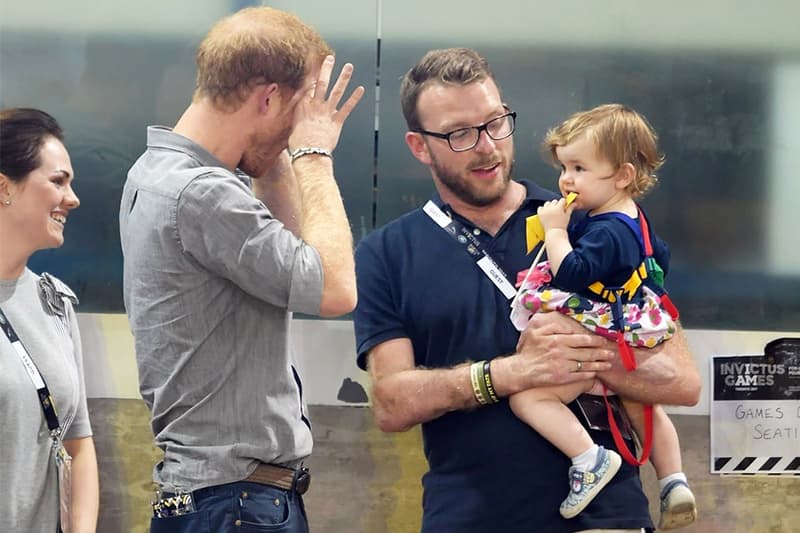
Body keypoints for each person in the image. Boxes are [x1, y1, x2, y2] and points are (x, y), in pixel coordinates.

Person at [353, 47, 701, 533]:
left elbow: (682, 382)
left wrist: (586, 355)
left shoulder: (593, 217)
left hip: (607, 520)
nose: (486, 146)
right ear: (418, 146)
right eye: (459, 134)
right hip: (467, 517)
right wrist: (511, 373)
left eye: (496, 122)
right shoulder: (386, 253)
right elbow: (391, 403)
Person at [118, 7, 363, 533]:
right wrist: (315, 155)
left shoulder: (154, 173)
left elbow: (290, 266)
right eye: (300, 109)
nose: (304, 125)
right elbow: (336, 289)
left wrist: (271, 153)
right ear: (268, 97)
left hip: (220, 500)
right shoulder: (203, 195)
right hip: (235, 503)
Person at [508, 104, 696, 529]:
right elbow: (658, 261)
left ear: (623, 175)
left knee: (528, 397)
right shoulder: (633, 219)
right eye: (563, 166)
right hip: (632, 329)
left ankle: (588, 457)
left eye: (579, 167)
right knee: (642, 404)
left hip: (598, 331)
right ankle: (673, 481)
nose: (566, 179)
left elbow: (572, 273)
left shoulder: (607, 230)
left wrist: (556, 230)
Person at [0, 107, 99, 532]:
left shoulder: (54, 301)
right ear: (4, 187)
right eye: (58, 181)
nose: (72, 198)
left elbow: (78, 445)